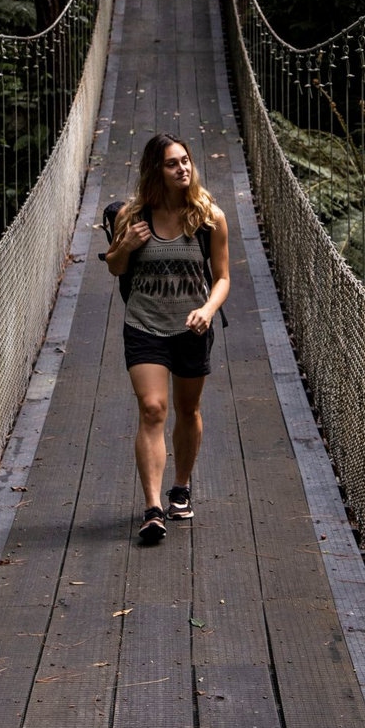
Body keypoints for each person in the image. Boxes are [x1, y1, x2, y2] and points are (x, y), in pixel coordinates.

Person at [103, 132, 230, 545]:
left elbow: (223, 278)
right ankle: (153, 507)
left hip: (192, 328)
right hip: (144, 325)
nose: (183, 168)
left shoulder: (209, 215)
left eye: (186, 161)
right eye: (173, 163)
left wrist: (207, 311)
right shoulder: (132, 216)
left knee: (187, 410)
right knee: (153, 409)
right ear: (156, 170)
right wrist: (126, 244)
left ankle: (181, 486)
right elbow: (115, 268)